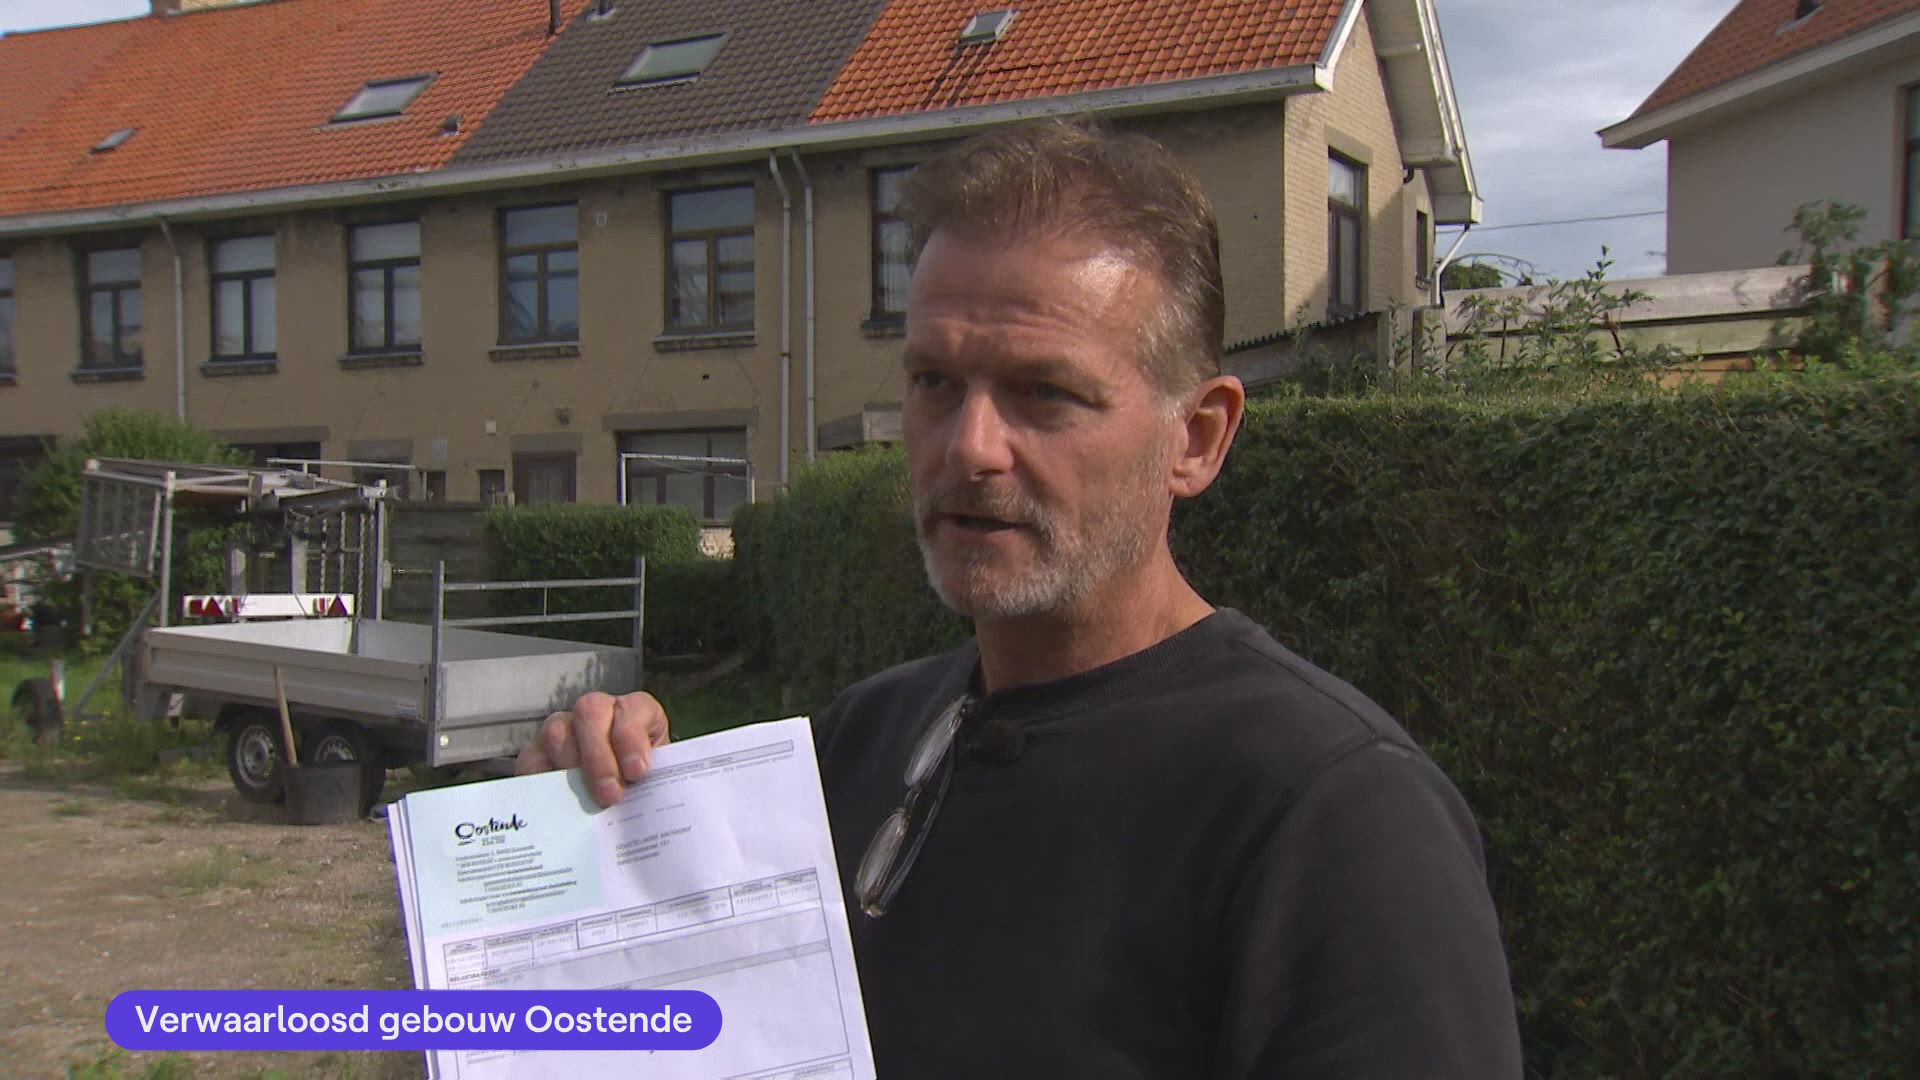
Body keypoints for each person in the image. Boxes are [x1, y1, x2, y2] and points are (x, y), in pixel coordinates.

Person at [518, 118, 1524, 1077]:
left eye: (1046, 392)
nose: (970, 447)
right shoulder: (861, 740)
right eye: (934, 381)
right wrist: (586, 836)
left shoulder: (1336, 816)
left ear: (1197, 438)